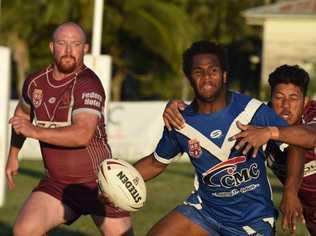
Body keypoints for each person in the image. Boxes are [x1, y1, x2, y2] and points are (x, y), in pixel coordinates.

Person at [133, 41, 304, 236]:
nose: (206, 78)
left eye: (213, 71)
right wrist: (118, 180)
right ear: (190, 78)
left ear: (224, 75)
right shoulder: (181, 122)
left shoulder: (252, 111)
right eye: (198, 72)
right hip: (206, 212)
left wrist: (290, 191)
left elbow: (296, 143)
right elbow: (156, 162)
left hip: (252, 220)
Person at [6, 22, 133, 236]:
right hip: (57, 184)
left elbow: (82, 135)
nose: (68, 50)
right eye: (61, 43)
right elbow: (22, 115)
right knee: (24, 231)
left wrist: (34, 131)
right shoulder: (35, 82)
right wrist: (13, 154)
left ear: (85, 49)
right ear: (51, 47)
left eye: (75, 44)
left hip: (100, 183)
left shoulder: (88, 83)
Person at [230, 65, 316, 235]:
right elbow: (219, 107)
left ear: (305, 101)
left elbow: (309, 137)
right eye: (279, 97)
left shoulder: (312, 114)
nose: (286, 105)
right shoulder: (260, 119)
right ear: (270, 101)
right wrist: (178, 109)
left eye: (293, 98)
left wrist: (270, 132)